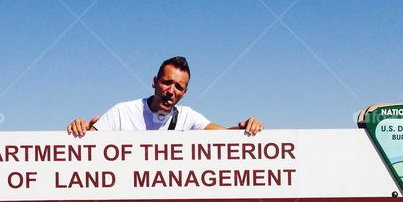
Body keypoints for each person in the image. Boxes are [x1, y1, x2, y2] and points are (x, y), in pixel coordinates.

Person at [66, 56, 263, 137]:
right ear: (154, 81)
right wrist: (81, 128)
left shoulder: (188, 117)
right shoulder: (122, 112)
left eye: (178, 87)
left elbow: (224, 137)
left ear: (184, 93)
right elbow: (87, 144)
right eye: (167, 83)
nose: (171, 91)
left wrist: (244, 127)